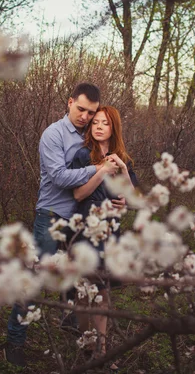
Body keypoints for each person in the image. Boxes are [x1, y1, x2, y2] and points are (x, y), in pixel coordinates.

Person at [4, 83, 122, 367]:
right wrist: (98, 168)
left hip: (82, 220)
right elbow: (59, 177)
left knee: (84, 280)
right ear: (70, 103)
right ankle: (14, 341)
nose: (85, 116)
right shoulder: (53, 134)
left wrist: (119, 200)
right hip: (52, 214)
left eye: (90, 112)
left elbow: (110, 179)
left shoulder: (91, 136)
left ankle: (76, 326)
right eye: (80, 109)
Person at [70, 105, 137, 367]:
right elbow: (78, 194)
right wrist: (101, 172)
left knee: (104, 290)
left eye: (105, 123)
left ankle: (102, 349)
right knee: (85, 290)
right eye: (95, 122)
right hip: (85, 229)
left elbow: (134, 198)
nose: (98, 126)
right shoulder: (81, 155)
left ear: (113, 128)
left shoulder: (123, 159)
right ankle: (87, 343)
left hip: (110, 232)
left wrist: (120, 172)